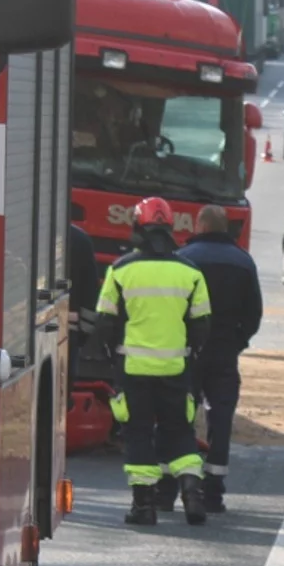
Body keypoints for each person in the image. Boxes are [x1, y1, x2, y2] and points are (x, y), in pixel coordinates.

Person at [94, 198, 213, 526]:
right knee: (180, 431)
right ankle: (192, 492)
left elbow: (105, 322)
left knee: (138, 434)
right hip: (176, 368)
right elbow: (202, 326)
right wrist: (187, 353)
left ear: (137, 227)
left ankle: (143, 506)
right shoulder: (190, 273)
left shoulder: (120, 270)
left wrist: (109, 357)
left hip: (133, 370)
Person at [177, 205, 263, 513]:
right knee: (221, 418)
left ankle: (182, 485)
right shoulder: (243, 261)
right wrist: (237, 342)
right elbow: (253, 314)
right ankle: (213, 491)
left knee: (182, 416)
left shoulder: (184, 259)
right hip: (225, 352)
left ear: (199, 225)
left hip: (188, 352)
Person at [65, 213, 101, 390]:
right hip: (68, 334)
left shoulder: (24, 234)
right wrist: (82, 337)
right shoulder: (81, 240)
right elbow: (90, 295)